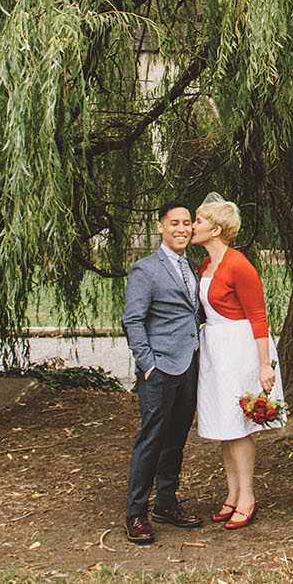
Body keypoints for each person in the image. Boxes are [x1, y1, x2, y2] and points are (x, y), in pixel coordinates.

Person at [191, 194, 284, 530]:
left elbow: (258, 318)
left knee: (239, 426)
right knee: (223, 426)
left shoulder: (238, 265)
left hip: (240, 347)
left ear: (215, 229)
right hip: (215, 347)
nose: (193, 225)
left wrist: (264, 367)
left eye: (199, 221)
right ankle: (231, 494)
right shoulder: (205, 265)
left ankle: (247, 496)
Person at [120, 200, 206, 544]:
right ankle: (136, 513)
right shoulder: (146, 269)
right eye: (174, 223)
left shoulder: (193, 267)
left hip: (189, 366)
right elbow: (132, 320)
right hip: (159, 369)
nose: (182, 229)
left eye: (187, 223)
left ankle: (166, 503)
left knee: (176, 438)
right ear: (160, 227)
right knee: (151, 438)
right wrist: (147, 363)